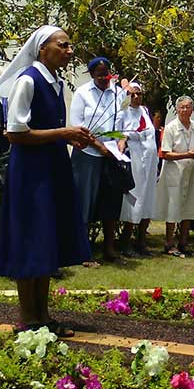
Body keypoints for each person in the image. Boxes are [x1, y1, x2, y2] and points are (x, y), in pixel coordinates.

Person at [0, 26, 92, 333]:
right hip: (30, 172)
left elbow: (47, 128)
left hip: (51, 167)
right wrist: (63, 133)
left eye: (70, 45)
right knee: (30, 239)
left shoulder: (55, 83)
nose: (69, 51)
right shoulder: (28, 81)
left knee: (45, 239)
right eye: (62, 45)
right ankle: (28, 318)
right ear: (41, 50)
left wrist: (70, 138)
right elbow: (16, 133)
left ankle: (43, 317)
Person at [70, 56, 126, 263]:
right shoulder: (82, 93)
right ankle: (82, 251)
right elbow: (77, 126)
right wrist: (98, 146)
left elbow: (121, 124)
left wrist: (121, 141)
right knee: (85, 202)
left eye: (106, 73)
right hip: (87, 153)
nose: (104, 78)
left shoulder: (118, 93)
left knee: (110, 201)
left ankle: (109, 249)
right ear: (92, 74)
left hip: (111, 154)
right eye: (99, 74)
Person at [154, 96, 194, 256]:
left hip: (191, 170)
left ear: (192, 109)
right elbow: (166, 153)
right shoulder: (171, 127)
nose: (185, 110)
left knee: (189, 206)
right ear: (177, 109)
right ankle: (169, 243)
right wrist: (188, 154)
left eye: (188, 107)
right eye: (182, 107)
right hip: (174, 172)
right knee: (172, 207)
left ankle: (184, 242)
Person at [116, 82, 158, 256]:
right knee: (133, 198)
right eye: (132, 94)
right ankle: (125, 241)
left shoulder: (145, 111)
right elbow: (117, 133)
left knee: (147, 198)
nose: (136, 97)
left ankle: (141, 240)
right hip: (134, 159)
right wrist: (124, 139)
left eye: (138, 94)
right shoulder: (123, 111)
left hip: (149, 161)